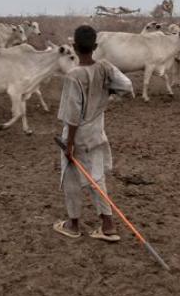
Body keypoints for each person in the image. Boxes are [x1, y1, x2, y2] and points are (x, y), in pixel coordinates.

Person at [53, 25, 133, 242]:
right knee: (97, 176)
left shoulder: (74, 76)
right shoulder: (105, 68)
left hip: (77, 136)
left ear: (74, 47)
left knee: (71, 178)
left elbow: (72, 116)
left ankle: (73, 224)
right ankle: (108, 225)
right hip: (97, 131)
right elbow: (127, 86)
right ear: (95, 46)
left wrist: (68, 145)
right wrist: (108, 94)